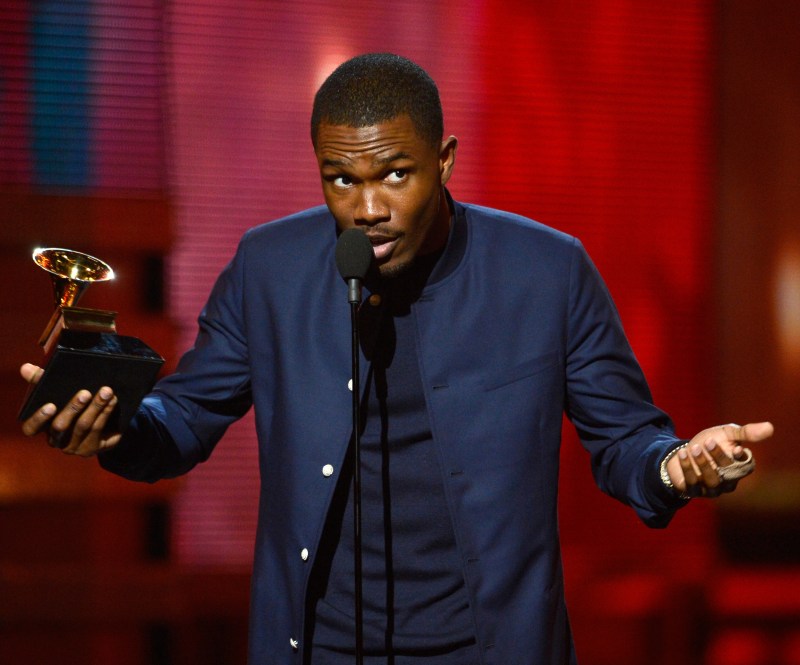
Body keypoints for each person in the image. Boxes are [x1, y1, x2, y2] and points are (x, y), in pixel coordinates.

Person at [20, 53, 773, 665]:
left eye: (394, 175)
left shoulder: (547, 272)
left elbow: (624, 439)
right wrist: (114, 425)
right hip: (318, 646)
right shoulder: (269, 268)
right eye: (341, 178)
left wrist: (677, 465)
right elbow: (183, 417)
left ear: (444, 160)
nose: (366, 207)